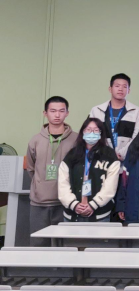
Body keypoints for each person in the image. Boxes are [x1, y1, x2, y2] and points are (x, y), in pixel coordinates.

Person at [26, 96, 79, 245]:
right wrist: (39, 185)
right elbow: (31, 168)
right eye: (53, 111)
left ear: (67, 113)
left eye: (61, 111)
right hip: (39, 202)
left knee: (64, 244)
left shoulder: (76, 140)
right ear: (45, 113)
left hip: (66, 201)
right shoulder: (35, 140)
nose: (57, 115)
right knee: (38, 243)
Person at [57, 118, 120, 222]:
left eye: (96, 130)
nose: (92, 133)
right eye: (88, 129)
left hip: (100, 215)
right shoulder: (72, 155)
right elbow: (63, 183)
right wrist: (74, 204)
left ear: (101, 133)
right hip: (72, 215)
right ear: (83, 132)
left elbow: (110, 186)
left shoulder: (110, 155)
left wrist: (93, 204)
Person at [88, 73, 139, 161]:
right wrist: (108, 154)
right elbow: (92, 135)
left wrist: (122, 154)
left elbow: (137, 136)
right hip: (101, 160)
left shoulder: (136, 111)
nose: (120, 89)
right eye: (117, 86)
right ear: (110, 89)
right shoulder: (96, 110)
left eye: (124, 86)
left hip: (126, 160)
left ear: (129, 90)